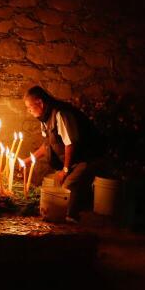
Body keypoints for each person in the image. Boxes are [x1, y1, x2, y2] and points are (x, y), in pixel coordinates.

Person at [23, 85, 104, 221]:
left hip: (87, 156)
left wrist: (65, 170)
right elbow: (48, 145)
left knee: (69, 186)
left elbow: (70, 143)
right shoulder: (45, 118)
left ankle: (71, 222)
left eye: (30, 107)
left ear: (40, 103)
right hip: (75, 158)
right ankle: (63, 217)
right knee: (57, 184)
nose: (29, 110)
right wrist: (29, 160)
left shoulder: (61, 114)